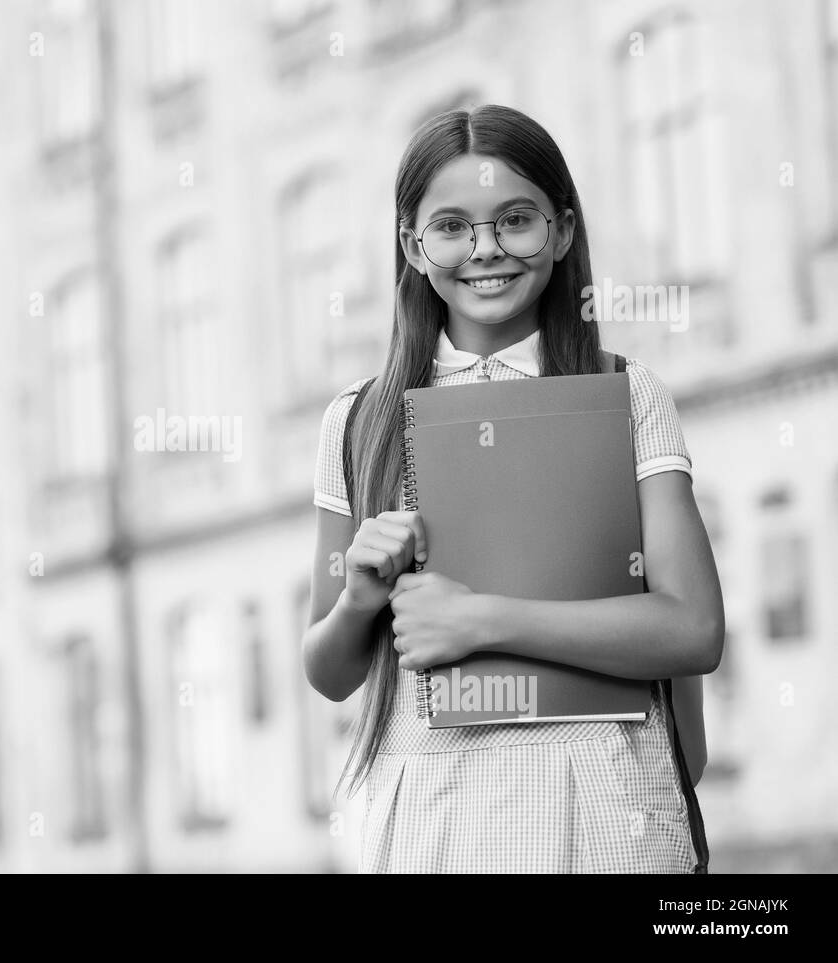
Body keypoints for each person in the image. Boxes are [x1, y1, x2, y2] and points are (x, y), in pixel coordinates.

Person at [302, 104, 724, 873]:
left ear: (562, 231)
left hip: (603, 807)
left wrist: (481, 619)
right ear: (413, 245)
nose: (486, 249)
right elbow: (329, 672)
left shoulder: (628, 396)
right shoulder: (357, 422)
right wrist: (361, 596)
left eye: (516, 220)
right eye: (453, 226)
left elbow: (693, 629)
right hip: (435, 817)